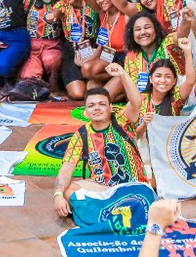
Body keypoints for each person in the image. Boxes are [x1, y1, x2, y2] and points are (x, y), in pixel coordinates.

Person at [53, 67, 145, 218]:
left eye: (102, 104)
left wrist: (122, 74)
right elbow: (67, 167)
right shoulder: (81, 134)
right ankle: (114, 210)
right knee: (69, 192)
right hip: (103, 189)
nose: (97, 108)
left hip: (131, 185)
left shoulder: (123, 121)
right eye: (91, 105)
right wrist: (57, 194)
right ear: (85, 112)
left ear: (110, 107)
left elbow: (136, 102)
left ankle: (102, 212)